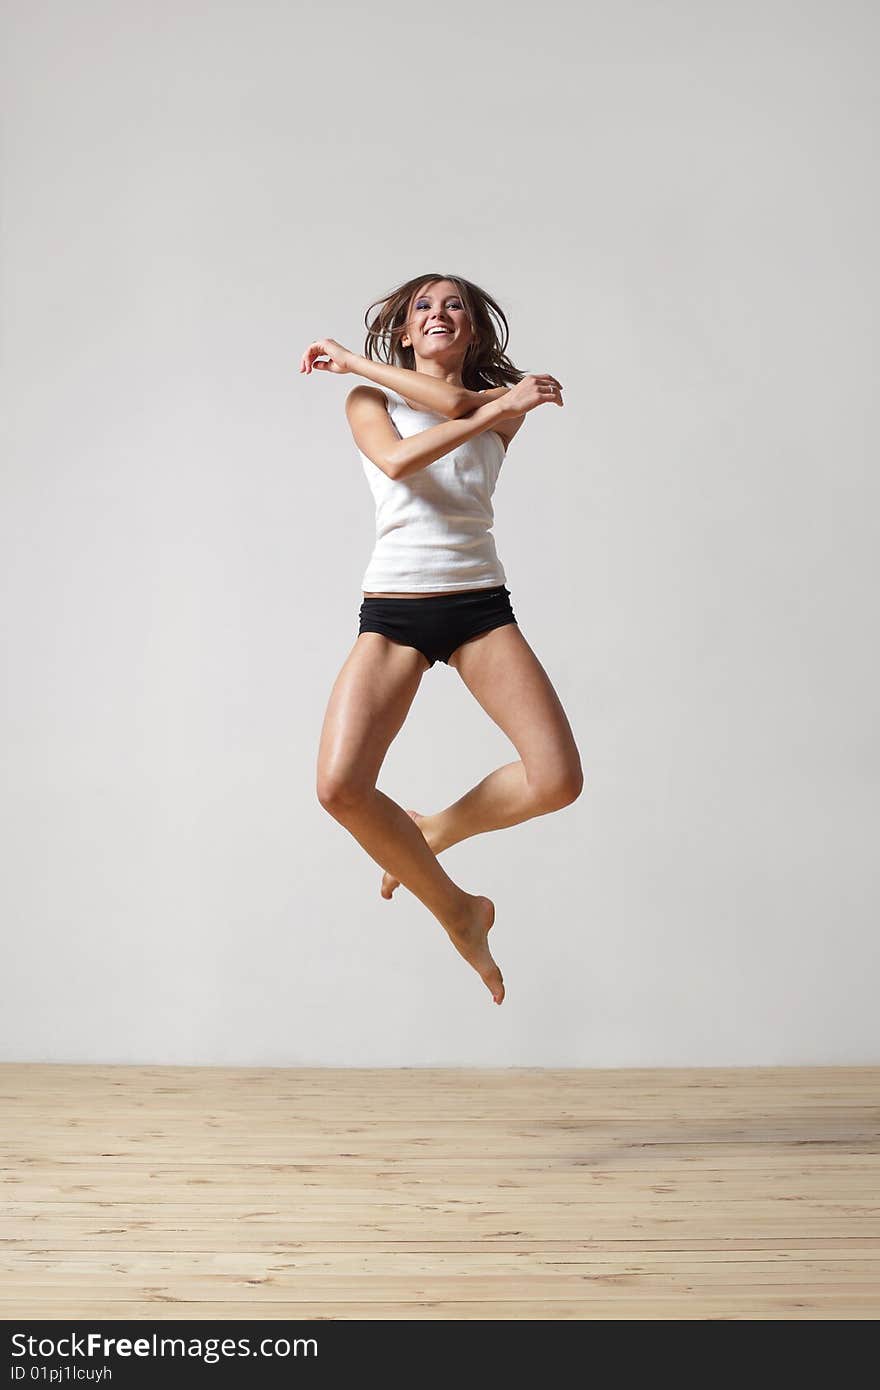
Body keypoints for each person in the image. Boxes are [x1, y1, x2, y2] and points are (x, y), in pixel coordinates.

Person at [301, 274, 583, 1005]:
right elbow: (398, 460)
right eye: (421, 306)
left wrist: (351, 355)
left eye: (453, 304)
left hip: (480, 608)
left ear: (473, 331)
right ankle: (458, 912)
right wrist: (357, 368)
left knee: (558, 780)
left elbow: (458, 405)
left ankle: (437, 831)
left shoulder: (501, 402)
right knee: (339, 787)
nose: (438, 313)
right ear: (401, 332)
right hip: (393, 611)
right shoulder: (367, 398)